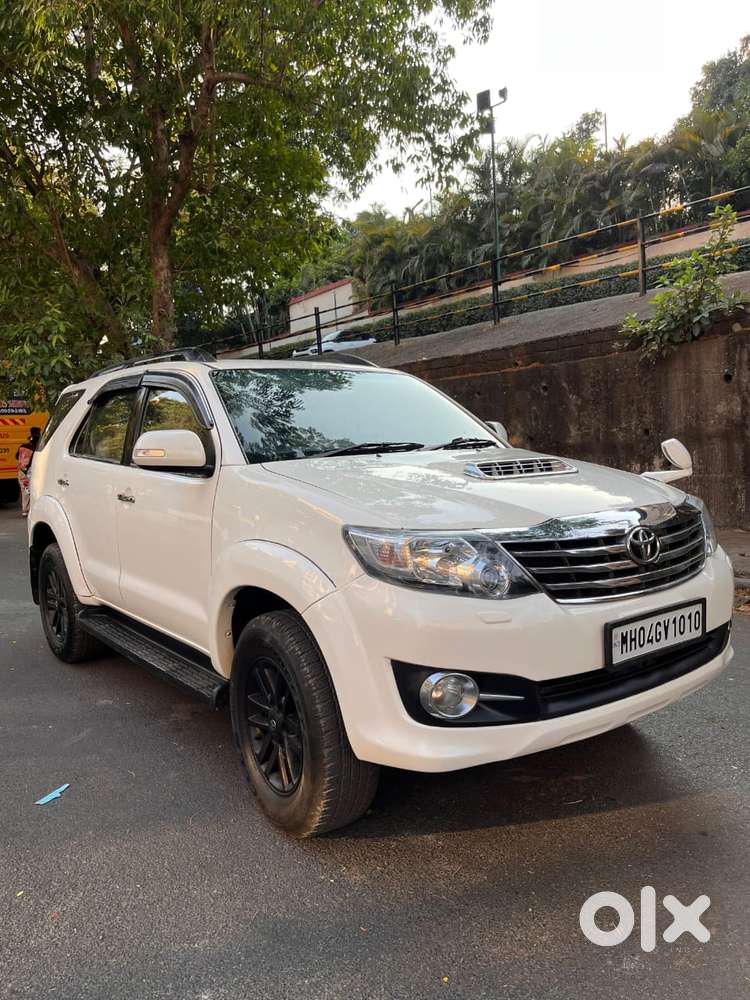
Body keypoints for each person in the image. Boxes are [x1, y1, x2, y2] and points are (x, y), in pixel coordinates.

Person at [16, 426, 41, 517]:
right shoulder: (36, 447)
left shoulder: (22, 446)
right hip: (31, 471)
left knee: (25, 490)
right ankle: (32, 509)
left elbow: (16, 456)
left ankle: (25, 510)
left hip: (21, 470)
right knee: (33, 490)